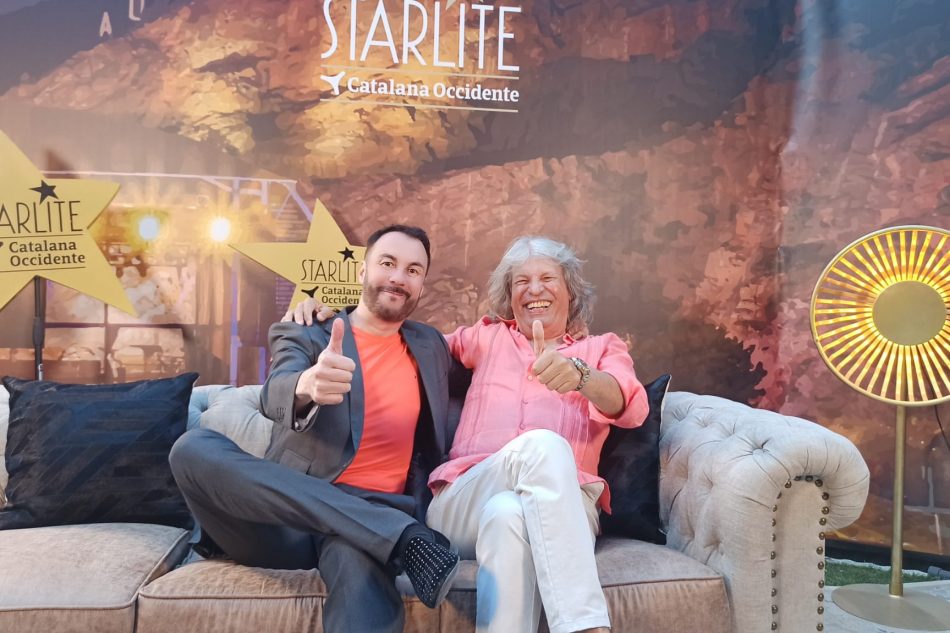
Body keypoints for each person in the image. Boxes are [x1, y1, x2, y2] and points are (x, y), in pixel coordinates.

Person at [289, 236, 649, 633]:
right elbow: (400, 343)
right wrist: (333, 317)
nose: (534, 290)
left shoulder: (602, 348)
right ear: (509, 296)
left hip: (567, 504)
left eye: (548, 278)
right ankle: (585, 627)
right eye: (521, 282)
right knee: (544, 447)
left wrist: (581, 376)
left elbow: (630, 407)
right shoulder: (486, 337)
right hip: (464, 499)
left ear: (571, 291)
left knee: (507, 514)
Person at [169, 225, 461, 633]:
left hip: (362, 530)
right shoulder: (309, 330)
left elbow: (495, 369)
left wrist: (551, 357)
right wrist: (307, 386)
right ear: (362, 270)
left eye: (413, 270)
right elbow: (276, 392)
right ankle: (403, 537)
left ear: (422, 285)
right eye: (388, 263)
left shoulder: (431, 345)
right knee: (191, 448)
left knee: (361, 578)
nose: (399, 277)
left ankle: (390, 533)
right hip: (283, 522)